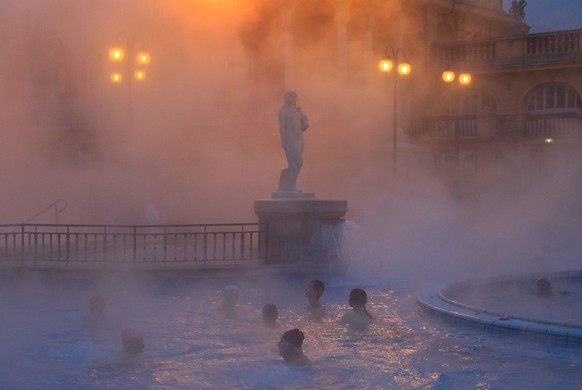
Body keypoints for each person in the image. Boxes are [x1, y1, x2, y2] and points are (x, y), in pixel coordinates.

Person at [278, 90, 309, 192]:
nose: (293, 98)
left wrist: (302, 114)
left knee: (296, 164)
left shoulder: (297, 112)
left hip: (299, 140)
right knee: (297, 163)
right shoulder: (283, 111)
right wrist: (283, 140)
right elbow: (282, 128)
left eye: (295, 97)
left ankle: (288, 185)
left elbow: (304, 126)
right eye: (291, 96)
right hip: (290, 140)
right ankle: (290, 186)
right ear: (286, 98)